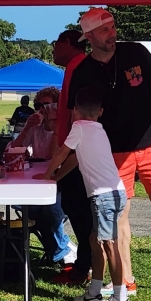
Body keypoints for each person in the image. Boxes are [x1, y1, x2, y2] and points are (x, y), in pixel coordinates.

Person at [66, 7, 151, 298]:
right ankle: (125, 278)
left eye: (113, 27)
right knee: (119, 213)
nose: (112, 34)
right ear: (89, 36)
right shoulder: (82, 71)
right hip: (112, 151)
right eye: (104, 30)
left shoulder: (136, 52)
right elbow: (77, 117)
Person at [39, 86, 128, 301]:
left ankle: (120, 299)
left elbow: (62, 153)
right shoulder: (98, 129)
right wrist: (55, 178)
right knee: (94, 240)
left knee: (108, 245)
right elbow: (75, 159)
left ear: (75, 112)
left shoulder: (78, 127)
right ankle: (94, 291)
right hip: (116, 193)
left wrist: (46, 176)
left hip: (103, 196)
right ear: (100, 112)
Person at [9, 87, 76, 264]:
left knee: (50, 211)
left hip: (61, 181)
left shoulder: (66, 127)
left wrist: (56, 126)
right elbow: (14, 150)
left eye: (46, 105)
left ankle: (61, 251)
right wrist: (27, 128)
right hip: (39, 181)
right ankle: (63, 249)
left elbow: (53, 155)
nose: (42, 109)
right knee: (31, 210)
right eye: (38, 105)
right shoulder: (35, 126)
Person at [52, 29, 92, 285]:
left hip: (78, 153)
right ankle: (84, 265)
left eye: (55, 44)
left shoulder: (79, 68)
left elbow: (77, 115)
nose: (54, 50)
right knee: (75, 208)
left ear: (67, 43)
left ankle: (84, 267)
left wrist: (67, 154)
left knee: (80, 211)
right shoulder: (74, 68)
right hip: (74, 150)